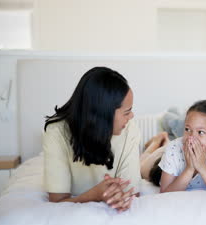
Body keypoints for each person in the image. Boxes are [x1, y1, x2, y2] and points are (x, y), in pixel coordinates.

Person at [43, 66, 141, 212]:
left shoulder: (130, 127)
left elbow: (132, 193)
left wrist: (120, 195)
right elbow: (58, 201)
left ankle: (155, 145)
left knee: (148, 165)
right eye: (127, 112)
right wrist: (96, 194)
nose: (131, 116)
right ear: (103, 115)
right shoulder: (56, 132)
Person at [158, 100, 206, 192]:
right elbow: (164, 193)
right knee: (146, 168)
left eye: (200, 132)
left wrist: (202, 166)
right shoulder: (173, 149)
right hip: (157, 165)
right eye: (187, 129)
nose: (191, 138)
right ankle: (157, 141)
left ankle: (165, 136)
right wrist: (189, 168)